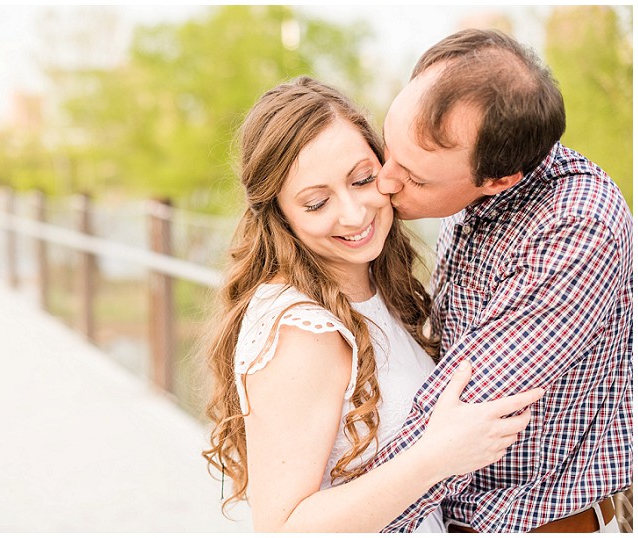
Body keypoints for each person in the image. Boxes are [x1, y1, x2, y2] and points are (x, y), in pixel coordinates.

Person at [201, 76, 545, 533]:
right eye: (318, 202)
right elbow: (285, 527)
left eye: (362, 179)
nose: (354, 213)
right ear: (281, 214)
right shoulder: (302, 329)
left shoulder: (374, 288)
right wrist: (435, 457)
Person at [370, 29, 633, 533]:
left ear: (501, 179)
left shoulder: (577, 225)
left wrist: (336, 520)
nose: (385, 181)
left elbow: (461, 406)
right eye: (389, 147)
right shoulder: (469, 185)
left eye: (416, 179)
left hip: (531, 524)